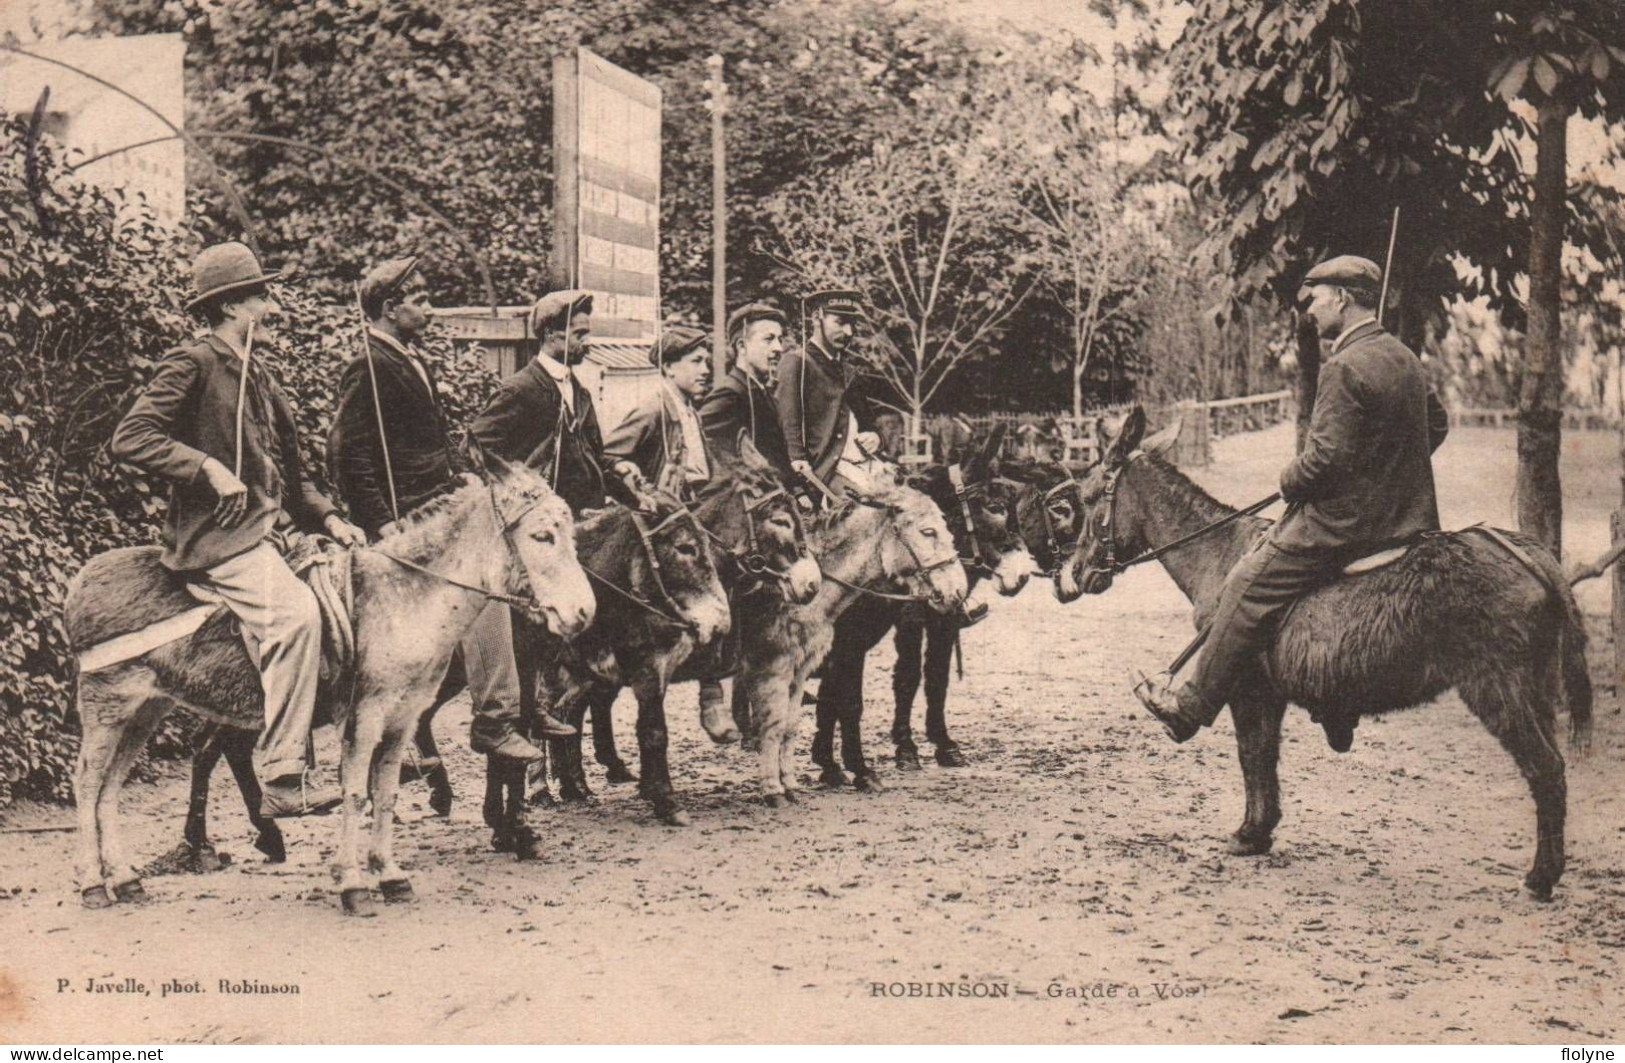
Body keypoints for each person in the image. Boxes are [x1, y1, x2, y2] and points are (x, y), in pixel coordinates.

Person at [1136, 254, 1450, 743]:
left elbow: (1323, 462)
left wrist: (1288, 480)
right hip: (1408, 521)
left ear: (1343, 299)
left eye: (1318, 298)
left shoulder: (1343, 367)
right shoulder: (1404, 357)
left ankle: (1191, 707)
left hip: (1345, 525)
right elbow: (1437, 425)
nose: (1312, 310)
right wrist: (1384, 470)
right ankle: (1335, 705)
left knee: (1244, 584)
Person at [111, 241, 364, 817]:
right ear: (229, 308)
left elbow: (292, 481)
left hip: (274, 535)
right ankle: (280, 775)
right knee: (295, 616)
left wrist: (331, 519)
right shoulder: (193, 363)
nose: (272, 309)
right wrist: (207, 468)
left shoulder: (263, 378)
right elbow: (132, 437)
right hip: (218, 540)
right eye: (261, 298)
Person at [326, 256, 569, 752]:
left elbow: (428, 440)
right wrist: (382, 524)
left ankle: (521, 701)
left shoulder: (409, 357)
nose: (430, 310)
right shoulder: (370, 364)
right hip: (410, 516)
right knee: (487, 587)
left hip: (437, 500)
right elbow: (348, 453)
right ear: (391, 308)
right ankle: (497, 717)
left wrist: (455, 473)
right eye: (421, 299)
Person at [470, 290, 608, 515]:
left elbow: (596, 456)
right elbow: (475, 450)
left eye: (587, 334)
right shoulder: (519, 390)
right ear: (551, 333)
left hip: (587, 522)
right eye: (579, 334)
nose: (588, 342)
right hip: (543, 528)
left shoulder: (580, 392)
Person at [775, 289, 881, 503]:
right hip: (825, 472)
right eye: (840, 322)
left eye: (852, 324)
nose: (848, 331)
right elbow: (788, 422)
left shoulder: (848, 371)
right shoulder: (796, 363)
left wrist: (874, 436)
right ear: (816, 318)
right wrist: (797, 460)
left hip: (863, 465)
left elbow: (867, 423)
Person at [603, 326, 715, 502]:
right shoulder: (653, 411)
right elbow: (606, 456)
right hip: (666, 516)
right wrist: (623, 467)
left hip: (699, 506)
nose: (705, 370)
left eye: (706, 362)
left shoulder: (691, 412)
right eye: (696, 361)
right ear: (669, 367)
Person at [699, 302, 791, 475]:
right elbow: (702, 445)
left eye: (780, 339)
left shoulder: (764, 391)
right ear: (742, 346)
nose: (779, 348)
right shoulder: (730, 394)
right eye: (768, 339)